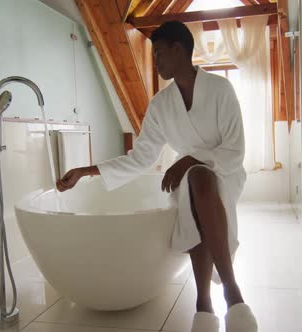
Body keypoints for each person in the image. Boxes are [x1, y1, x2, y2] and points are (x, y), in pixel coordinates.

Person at [56, 20, 257, 332]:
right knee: (194, 186)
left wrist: (190, 159)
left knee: (200, 180)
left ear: (179, 50)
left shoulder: (221, 90)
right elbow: (141, 157)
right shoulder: (161, 105)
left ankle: (210, 299)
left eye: (159, 53)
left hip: (225, 172)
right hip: (187, 178)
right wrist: (85, 171)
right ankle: (228, 297)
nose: (156, 61)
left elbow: (235, 151)